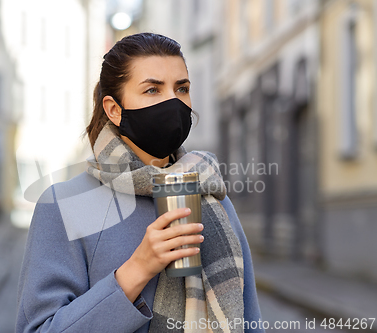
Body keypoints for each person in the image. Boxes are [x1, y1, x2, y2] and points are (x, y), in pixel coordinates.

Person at [16, 32, 264, 333]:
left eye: (181, 88)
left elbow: (250, 322)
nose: (173, 102)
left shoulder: (212, 195)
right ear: (114, 110)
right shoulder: (65, 204)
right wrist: (137, 270)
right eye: (152, 90)